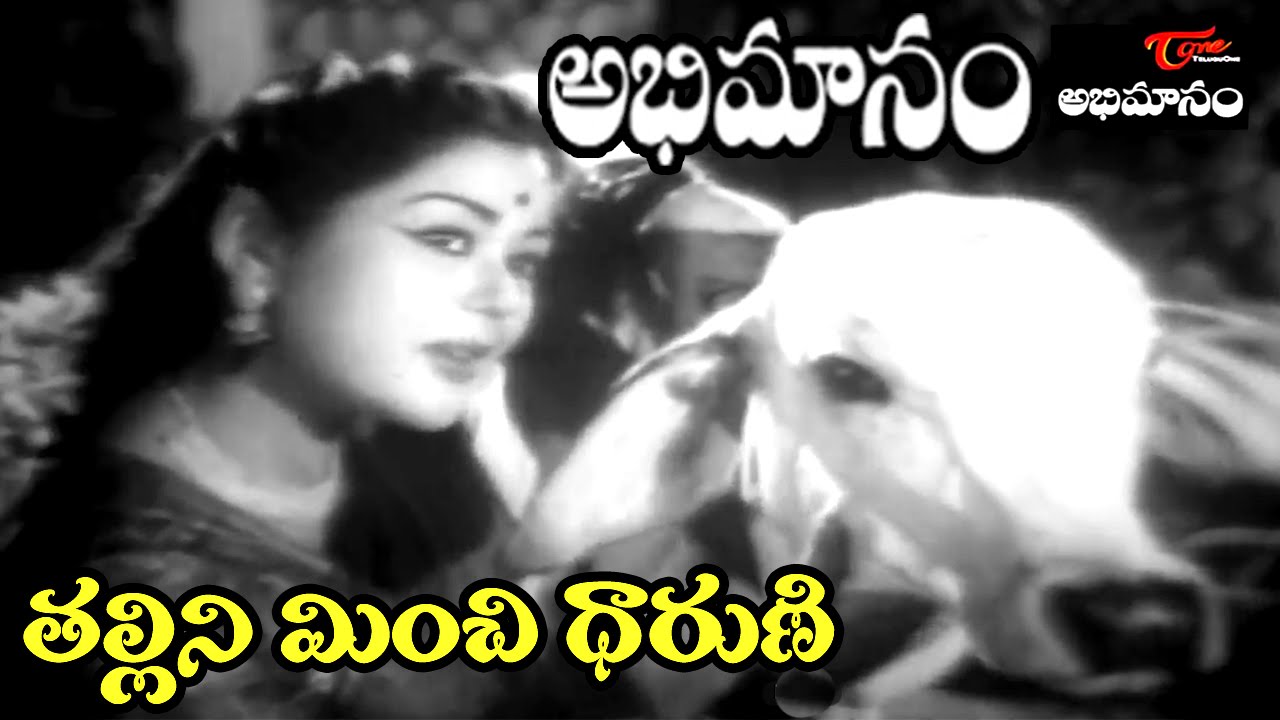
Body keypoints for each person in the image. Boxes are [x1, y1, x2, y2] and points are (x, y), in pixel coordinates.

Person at [0, 54, 651, 718]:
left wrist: (559, 535)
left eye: (525, 260)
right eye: (447, 238)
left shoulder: (406, 442)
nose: (504, 298)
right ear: (256, 251)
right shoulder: (135, 598)